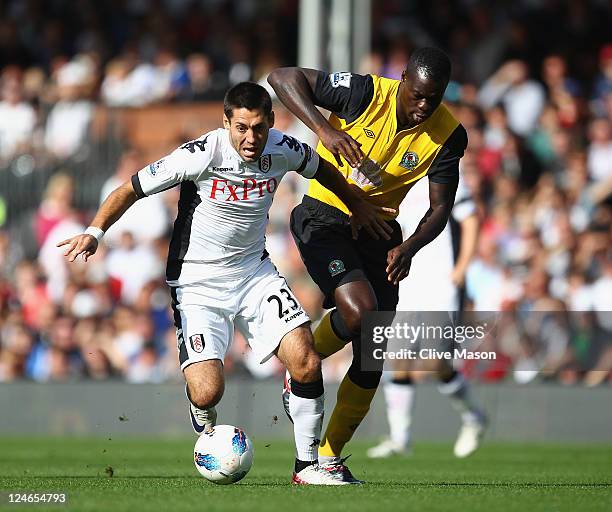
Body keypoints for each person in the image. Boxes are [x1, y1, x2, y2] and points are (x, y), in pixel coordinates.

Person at [58, 82, 393, 485]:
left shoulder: (283, 148)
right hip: (197, 282)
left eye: (258, 128)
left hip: (254, 272)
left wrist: (357, 206)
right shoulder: (200, 154)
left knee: (305, 358)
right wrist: (95, 231)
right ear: (226, 123)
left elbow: (323, 169)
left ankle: (308, 467)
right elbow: (130, 189)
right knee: (207, 392)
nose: (250, 138)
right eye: (241, 128)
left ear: (271, 122)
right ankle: (203, 416)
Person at [268, 47, 467, 483]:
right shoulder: (363, 93)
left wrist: (411, 246)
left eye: (431, 100)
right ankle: (304, 362)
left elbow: (439, 209)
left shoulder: (449, 136)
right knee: (359, 311)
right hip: (325, 215)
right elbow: (282, 76)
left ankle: (329, 455)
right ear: (403, 80)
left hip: (380, 230)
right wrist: (325, 129)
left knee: (372, 354)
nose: (421, 107)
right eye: (416, 95)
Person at [367, 176, 487, 459]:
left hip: (442, 284)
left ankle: (474, 417)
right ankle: (400, 439)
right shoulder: (398, 175)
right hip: (406, 281)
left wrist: (462, 267)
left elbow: (471, 221)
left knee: (436, 361)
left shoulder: (446, 178)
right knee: (399, 360)